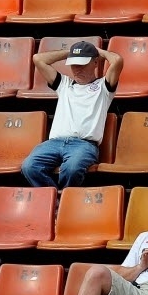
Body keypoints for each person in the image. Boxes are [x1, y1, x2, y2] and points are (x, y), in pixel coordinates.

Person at [21, 41, 123, 189]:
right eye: (74, 64)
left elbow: (117, 60)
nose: (77, 69)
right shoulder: (64, 84)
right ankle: (56, 198)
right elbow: (38, 59)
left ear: (95, 63)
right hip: (54, 143)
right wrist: (71, 53)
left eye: (82, 64)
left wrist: (98, 51)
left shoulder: (104, 87)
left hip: (84, 144)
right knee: (29, 166)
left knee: (72, 169)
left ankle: (64, 198)